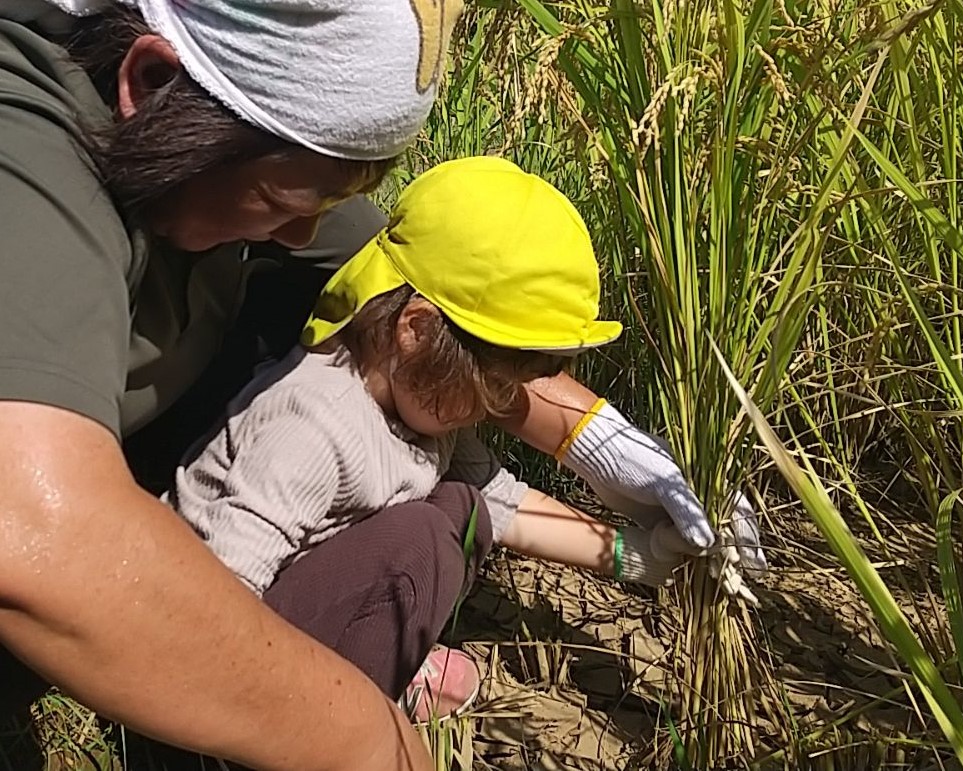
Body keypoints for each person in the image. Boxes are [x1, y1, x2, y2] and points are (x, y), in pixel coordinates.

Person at [0, 1, 760, 769]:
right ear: (153, 80)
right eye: (285, 203)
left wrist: (601, 444)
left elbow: (436, 307)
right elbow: (32, 536)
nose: (303, 235)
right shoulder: (27, 155)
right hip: (115, 593)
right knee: (414, 545)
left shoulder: (248, 166)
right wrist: (362, 733)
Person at [168, 157, 767, 722]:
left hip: (286, 617)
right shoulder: (309, 427)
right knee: (421, 542)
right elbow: (209, 605)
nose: (506, 405)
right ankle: (338, 713)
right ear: (417, 329)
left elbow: (497, 501)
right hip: (212, 656)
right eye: (497, 382)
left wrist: (640, 554)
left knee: (461, 509)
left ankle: (364, 667)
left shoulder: (417, 408)